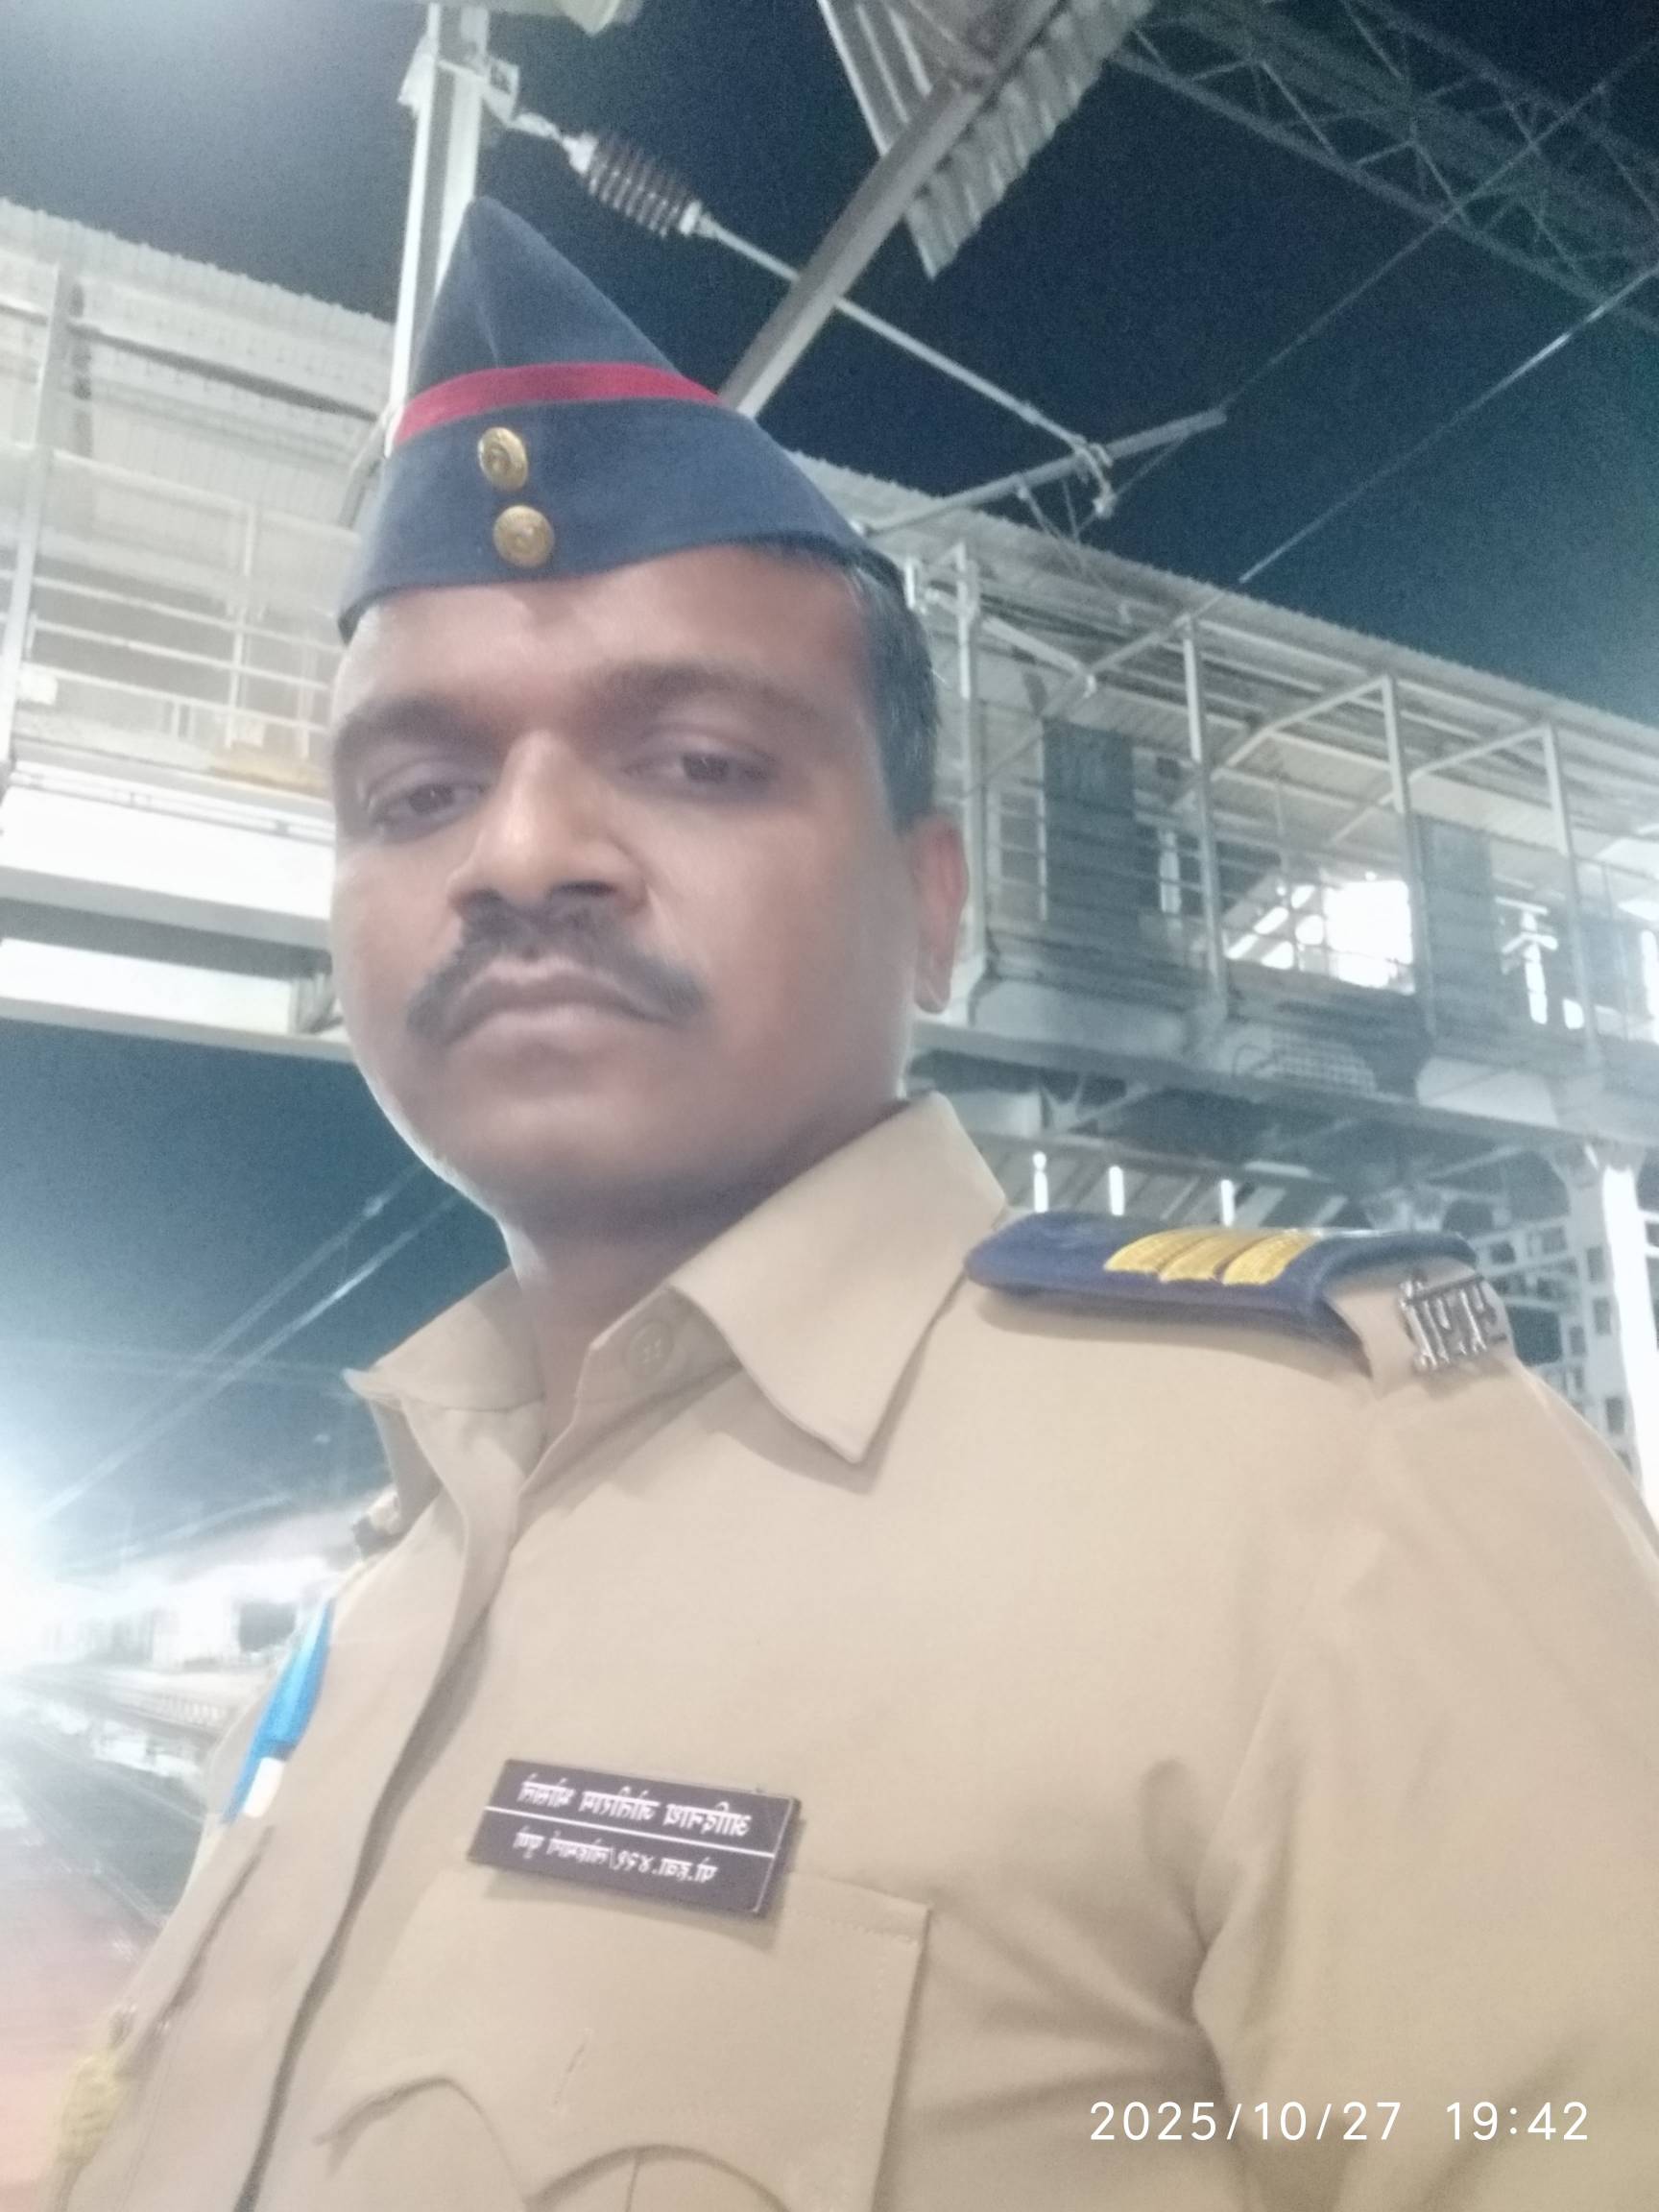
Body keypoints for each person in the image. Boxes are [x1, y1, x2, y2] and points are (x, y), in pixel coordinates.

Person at [50, 199, 1659, 2212]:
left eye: (700, 761)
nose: (522, 853)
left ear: (934, 904)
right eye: (416, 797)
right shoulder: (385, 1586)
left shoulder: (1337, 1509)